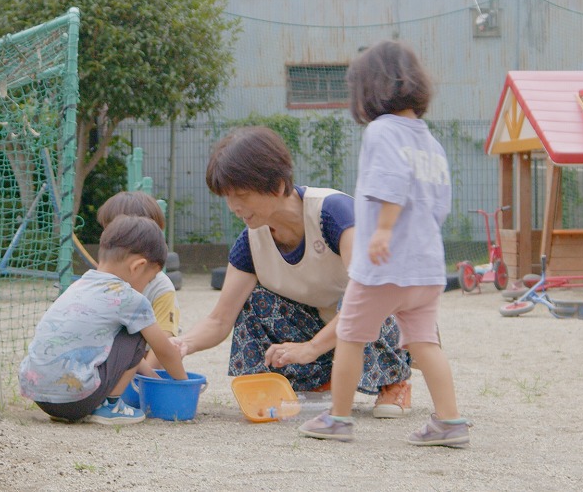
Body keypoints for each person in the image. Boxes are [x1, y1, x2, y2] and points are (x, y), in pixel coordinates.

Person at [299, 40, 471, 446]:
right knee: (425, 344)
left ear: (369, 89)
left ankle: (337, 419)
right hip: (426, 267)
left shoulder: (382, 131)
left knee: (352, 338)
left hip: (384, 265)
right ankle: (450, 422)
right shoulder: (429, 140)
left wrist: (383, 231)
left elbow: (392, 183)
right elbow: (438, 205)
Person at [173, 126, 413, 418]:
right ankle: (311, 381)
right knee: (254, 301)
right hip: (323, 333)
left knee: (367, 292)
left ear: (276, 186)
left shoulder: (334, 213)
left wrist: (311, 348)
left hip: (372, 323)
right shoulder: (250, 242)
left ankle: (392, 380)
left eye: (242, 194)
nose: (233, 206)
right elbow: (220, 319)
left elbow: (367, 296)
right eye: (227, 196)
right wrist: (182, 345)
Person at [18, 215, 188, 425]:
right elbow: (164, 351)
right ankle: (111, 406)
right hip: (78, 400)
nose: (148, 285)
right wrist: (183, 385)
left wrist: (154, 377)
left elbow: (126, 357)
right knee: (139, 329)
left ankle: (83, 407)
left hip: (40, 396)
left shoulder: (78, 286)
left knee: (133, 330)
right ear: (137, 267)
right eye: (150, 278)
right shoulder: (130, 299)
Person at [97, 191, 181, 369]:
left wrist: (145, 380)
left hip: (139, 364)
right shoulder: (98, 281)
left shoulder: (160, 287)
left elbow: (163, 346)